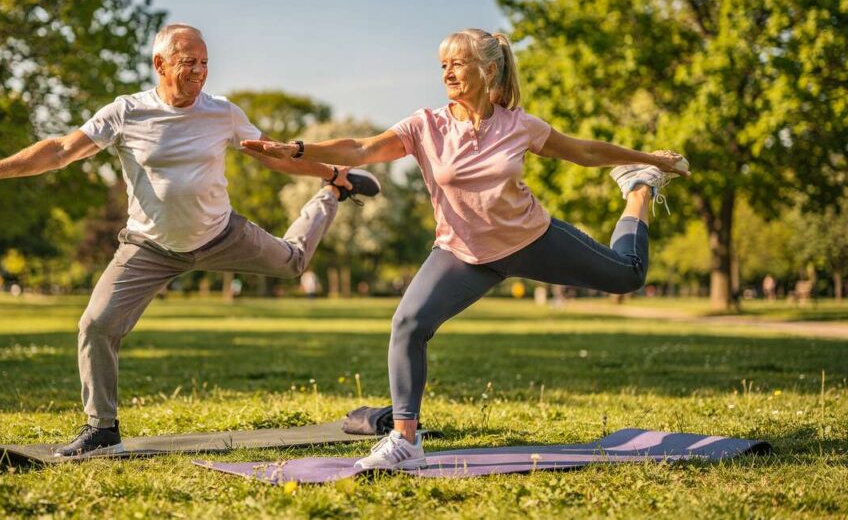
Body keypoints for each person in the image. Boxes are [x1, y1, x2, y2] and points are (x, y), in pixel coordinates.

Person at [243, 28, 690, 470]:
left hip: (530, 239)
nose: (448, 72)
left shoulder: (519, 125)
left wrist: (649, 160)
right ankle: (405, 439)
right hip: (462, 254)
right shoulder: (425, 126)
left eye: (458, 63)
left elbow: (583, 152)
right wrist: (300, 149)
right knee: (408, 323)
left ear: (489, 69)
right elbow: (360, 148)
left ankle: (637, 189)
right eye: (443, 65)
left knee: (628, 274)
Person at [0, 24, 381, 456]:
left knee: (293, 262)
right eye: (189, 62)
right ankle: (102, 430)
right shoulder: (126, 112)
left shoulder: (222, 111)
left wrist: (332, 173)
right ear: (160, 64)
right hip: (148, 248)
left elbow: (276, 157)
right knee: (95, 325)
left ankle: (331, 196)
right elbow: (62, 150)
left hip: (220, 233)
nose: (200, 72)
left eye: (205, 62)